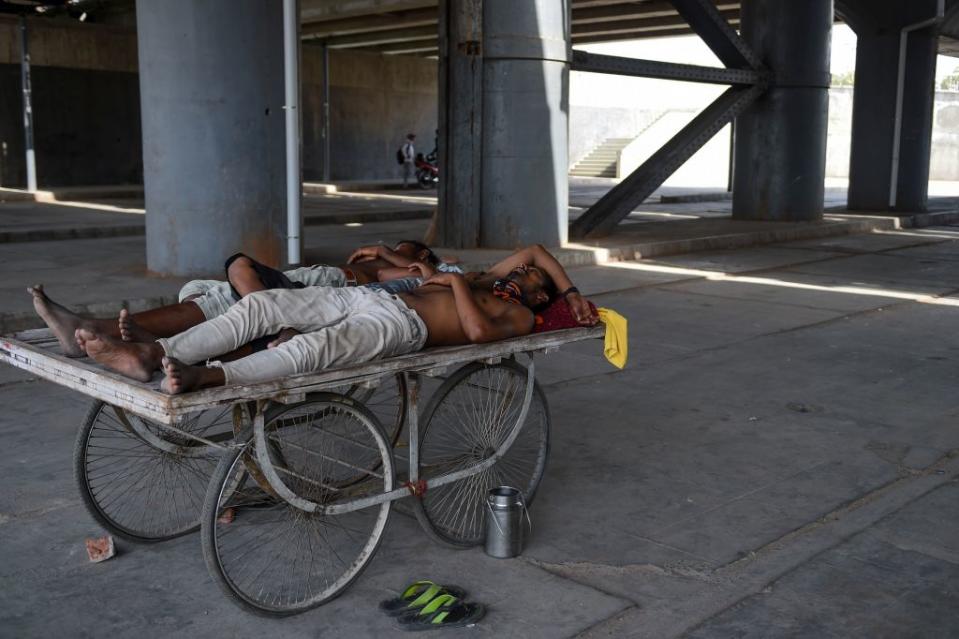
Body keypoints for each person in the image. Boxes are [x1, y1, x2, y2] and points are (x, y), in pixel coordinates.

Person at [64, 244, 598, 394]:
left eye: (532, 283)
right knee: (263, 305)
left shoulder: (515, 316)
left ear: (534, 301)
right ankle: (157, 354)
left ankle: (210, 374)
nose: (522, 276)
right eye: (525, 275)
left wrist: (456, 283)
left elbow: (479, 335)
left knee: (311, 352)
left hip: (403, 329)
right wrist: (570, 288)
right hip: (377, 301)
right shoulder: (492, 281)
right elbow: (534, 248)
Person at [28, 239, 454, 358]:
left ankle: (95, 331)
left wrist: (386, 253)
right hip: (300, 284)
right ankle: (102, 331)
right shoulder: (380, 268)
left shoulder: (399, 271)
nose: (394, 248)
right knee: (209, 295)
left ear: (419, 256)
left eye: (407, 248)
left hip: (313, 294)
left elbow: (425, 274)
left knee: (237, 268)